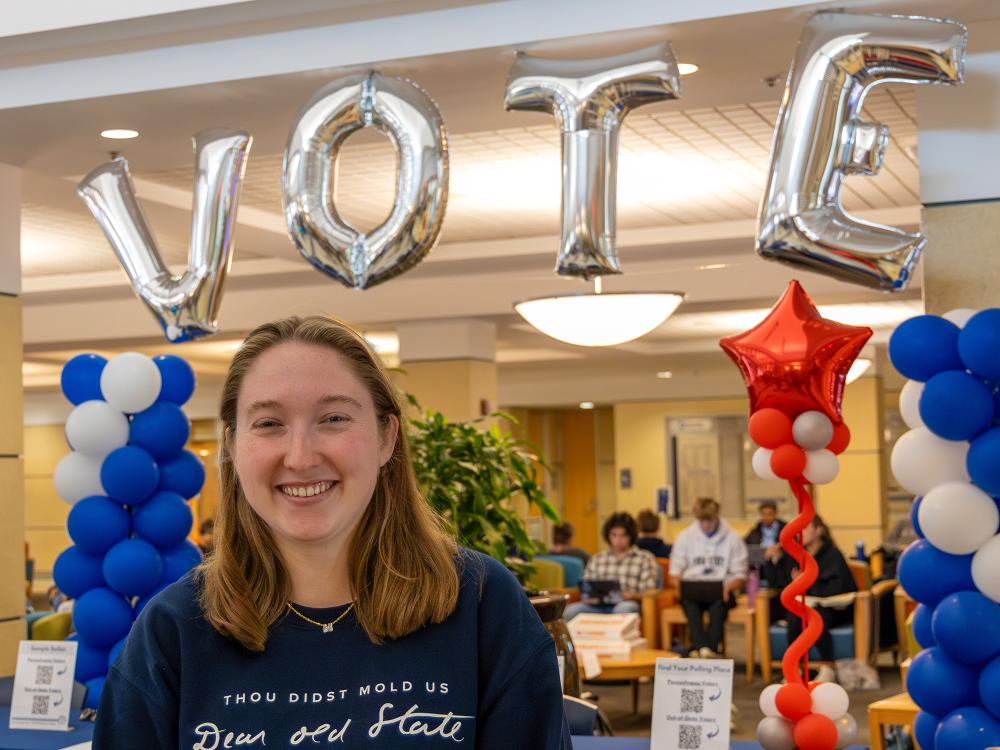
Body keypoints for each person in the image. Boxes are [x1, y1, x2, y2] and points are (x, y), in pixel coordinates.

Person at [94, 316, 570, 749]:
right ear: (233, 447)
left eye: (334, 418)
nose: (300, 456)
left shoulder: (482, 605)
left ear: (387, 437)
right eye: (268, 423)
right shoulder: (172, 631)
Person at [777, 515, 856, 683]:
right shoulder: (795, 555)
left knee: (816, 615)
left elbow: (837, 588)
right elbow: (780, 582)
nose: (800, 534)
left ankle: (828, 666)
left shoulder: (832, 554)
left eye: (805, 529)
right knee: (795, 615)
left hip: (834, 609)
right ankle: (795, 667)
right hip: (805, 605)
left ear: (818, 530)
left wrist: (806, 583)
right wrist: (773, 561)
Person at [668, 497, 748, 658]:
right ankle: (707, 650)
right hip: (693, 588)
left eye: (710, 520)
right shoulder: (685, 537)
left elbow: (741, 575)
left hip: (723, 589)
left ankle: (702, 649)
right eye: (702, 520)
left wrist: (729, 586)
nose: (706, 525)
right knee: (690, 605)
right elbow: (674, 573)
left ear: (717, 516)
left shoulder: (733, 538)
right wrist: (681, 586)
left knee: (719, 606)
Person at [564, 512, 658, 621]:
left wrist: (632, 595)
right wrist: (588, 596)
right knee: (571, 611)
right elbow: (587, 585)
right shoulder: (598, 558)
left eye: (623, 535)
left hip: (626, 603)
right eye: (614, 535)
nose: (618, 540)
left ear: (631, 536)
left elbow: (649, 591)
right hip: (597, 606)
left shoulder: (644, 558)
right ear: (608, 535)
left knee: (622, 609)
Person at [744, 500, 786, 595]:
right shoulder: (755, 531)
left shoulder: (785, 530)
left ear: (775, 514)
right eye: (763, 514)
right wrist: (763, 552)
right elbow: (744, 548)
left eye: (769, 514)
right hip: (760, 565)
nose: (766, 517)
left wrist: (778, 550)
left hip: (780, 565)